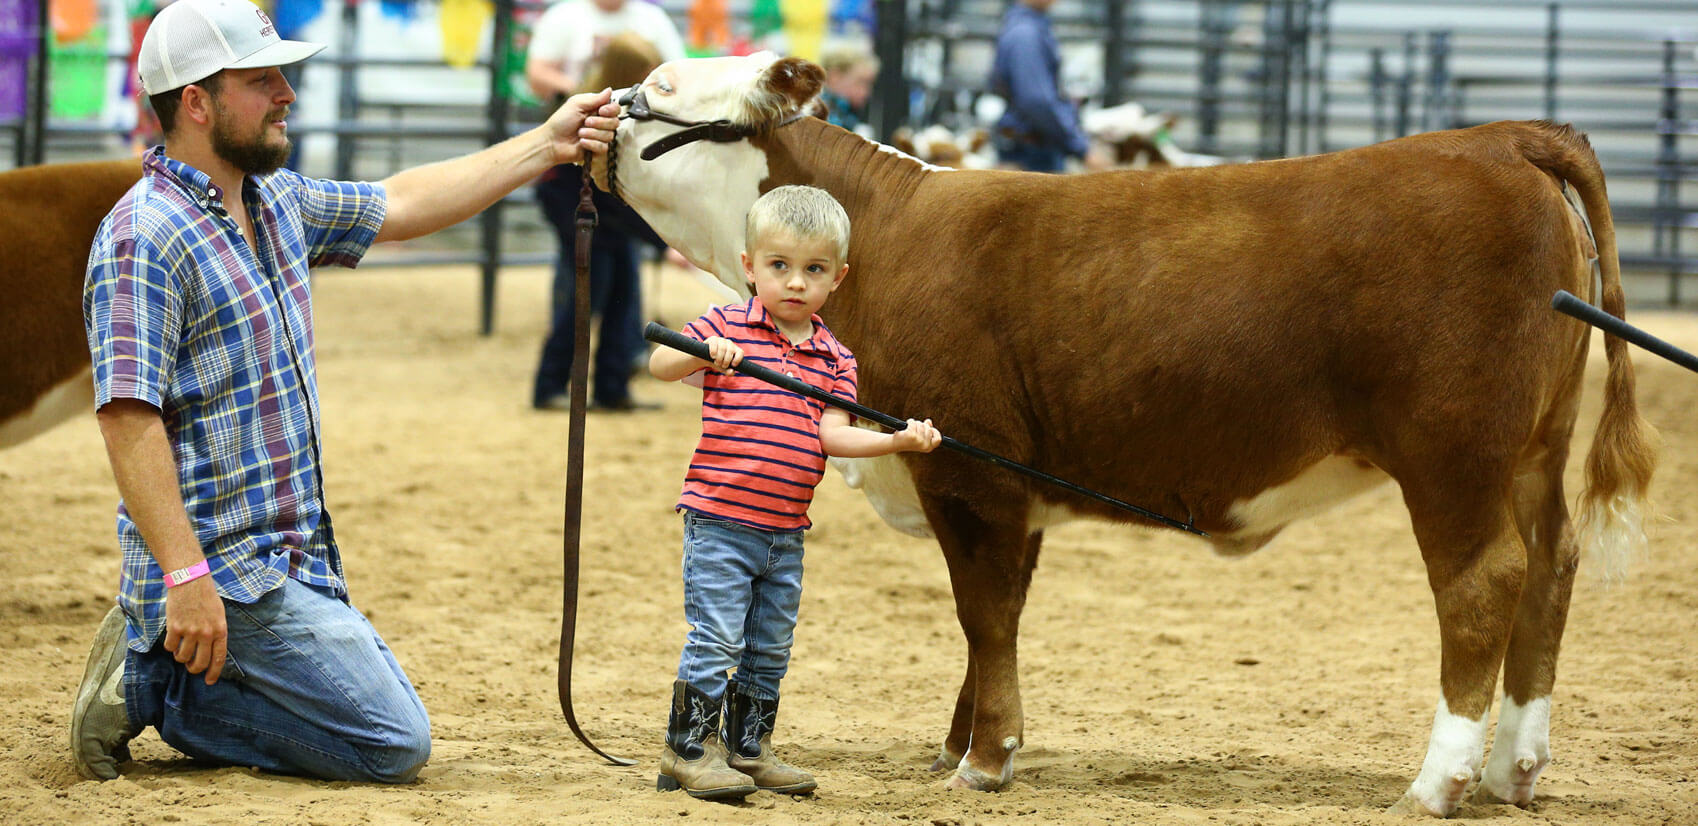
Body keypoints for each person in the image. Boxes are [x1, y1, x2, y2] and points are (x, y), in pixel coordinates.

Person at [71, 0, 621, 783]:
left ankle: (163, 670)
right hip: (227, 568)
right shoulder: (143, 234)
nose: (287, 93)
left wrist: (547, 143)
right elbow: (129, 420)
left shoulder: (275, 201)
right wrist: (187, 578)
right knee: (391, 742)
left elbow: (402, 203)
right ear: (195, 101)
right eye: (262, 80)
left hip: (291, 556)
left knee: (380, 721)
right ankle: (152, 680)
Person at [647, 186, 943, 799]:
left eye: (814, 270)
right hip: (721, 522)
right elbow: (658, 364)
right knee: (718, 636)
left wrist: (895, 442)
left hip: (785, 531)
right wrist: (703, 354)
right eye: (779, 266)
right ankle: (688, 749)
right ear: (749, 265)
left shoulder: (835, 358)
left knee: (769, 646)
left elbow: (834, 436)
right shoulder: (726, 324)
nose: (795, 283)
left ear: (839, 277)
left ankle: (749, 749)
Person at [526, 0, 685, 412]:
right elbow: (596, 191)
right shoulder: (590, 116)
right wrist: (663, 241)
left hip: (605, 215)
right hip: (576, 209)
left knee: (622, 293)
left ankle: (612, 388)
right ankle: (551, 386)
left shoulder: (623, 115)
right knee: (584, 295)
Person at [987, 0, 1107, 172]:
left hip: (1031, 145)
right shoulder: (1026, 35)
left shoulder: (1027, 28)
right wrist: (1081, 148)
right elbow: (1036, 101)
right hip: (1032, 150)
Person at [818, 42, 878, 134]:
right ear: (834, 77)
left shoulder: (848, 116)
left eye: (869, 84)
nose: (867, 92)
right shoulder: (823, 116)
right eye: (861, 82)